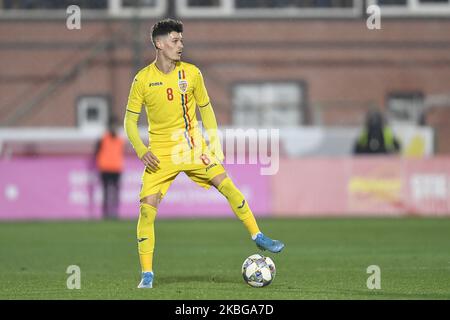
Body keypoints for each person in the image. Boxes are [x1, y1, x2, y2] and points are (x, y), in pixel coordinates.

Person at [123, 19, 284, 289]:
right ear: (159, 44)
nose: (181, 45)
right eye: (175, 41)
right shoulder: (142, 80)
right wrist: (141, 150)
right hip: (161, 154)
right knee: (147, 209)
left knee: (228, 186)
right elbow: (129, 122)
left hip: (193, 147)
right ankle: (147, 274)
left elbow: (206, 110)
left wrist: (215, 146)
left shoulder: (192, 74)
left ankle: (258, 235)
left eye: (181, 41)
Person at [95, 116, 125, 219]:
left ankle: (115, 213)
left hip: (116, 169)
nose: (114, 128)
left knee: (116, 193)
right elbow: (97, 153)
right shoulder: (103, 139)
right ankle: (106, 213)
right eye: (112, 125)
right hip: (105, 169)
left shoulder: (120, 140)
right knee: (106, 192)